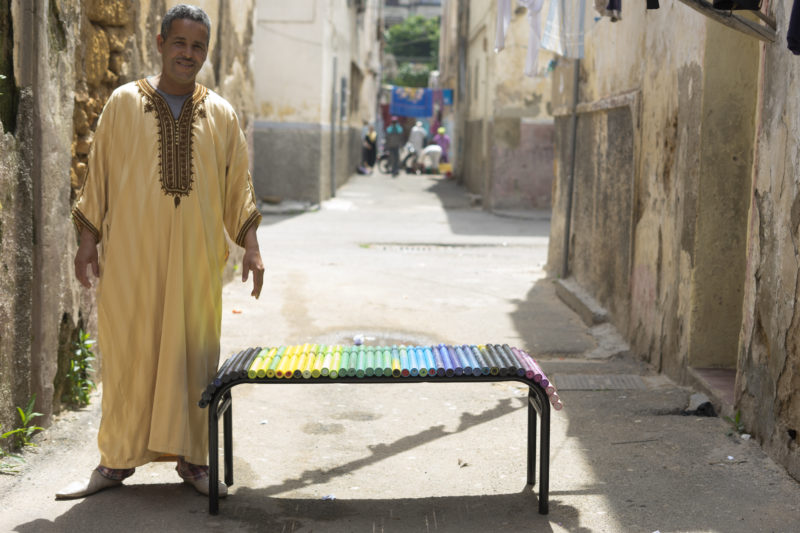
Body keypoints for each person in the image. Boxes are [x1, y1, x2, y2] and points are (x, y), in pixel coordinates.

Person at [58, 4, 264, 500]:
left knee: (192, 352)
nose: (187, 54)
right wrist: (88, 242)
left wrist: (252, 247)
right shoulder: (124, 103)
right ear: (159, 43)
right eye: (180, 43)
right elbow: (100, 175)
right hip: (132, 258)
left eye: (197, 47)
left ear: (205, 53)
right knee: (129, 348)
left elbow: (239, 186)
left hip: (195, 263)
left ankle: (193, 460)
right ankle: (116, 461)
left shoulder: (220, 114)